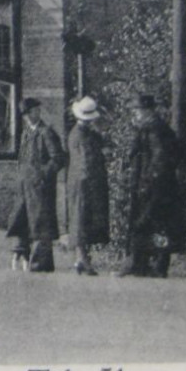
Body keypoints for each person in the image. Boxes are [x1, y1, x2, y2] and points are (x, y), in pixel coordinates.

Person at [123, 94, 186, 278]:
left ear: (147, 111)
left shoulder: (154, 130)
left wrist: (148, 181)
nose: (134, 114)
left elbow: (160, 159)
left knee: (152, 224)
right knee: (154, 225)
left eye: (136, 110)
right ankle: (146, 263)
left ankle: (150, 264)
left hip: (154, 186)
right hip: (155, 185)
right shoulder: (155, 128)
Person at [5, 98, 65, 272]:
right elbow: (23, 158)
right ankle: (22, 252)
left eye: (29, 113)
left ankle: (41, 264)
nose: (26, 117)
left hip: (41, 188)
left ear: (37, 111)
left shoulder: (46, 133)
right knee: (22, 219)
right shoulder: (26, 133)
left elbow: (58, 159)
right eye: (24, 115)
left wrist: (43, 176)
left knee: (41, 224)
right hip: (25, 187)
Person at [66, 96, 111, 276]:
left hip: (81, 180)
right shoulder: (80, 135)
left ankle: (81, 259)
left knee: (84, 220)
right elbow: (86, 159)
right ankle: (83, 259)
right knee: (82, 220)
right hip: (85, 182)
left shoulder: (85, 133)